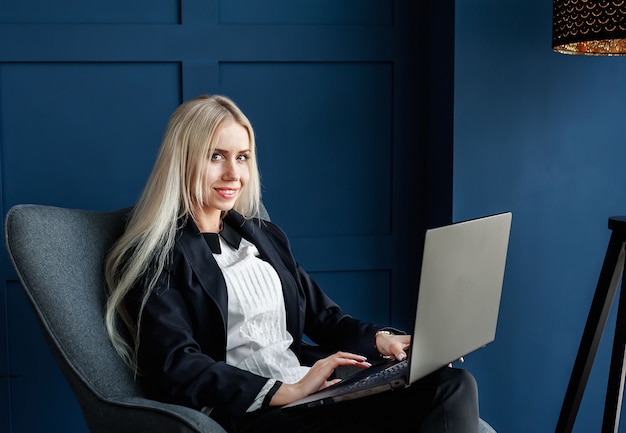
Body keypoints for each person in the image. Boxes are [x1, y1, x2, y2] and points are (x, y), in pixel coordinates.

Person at [104, 94, 481, 433]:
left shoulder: (263, 237)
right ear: (182, 160)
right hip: (258, 411)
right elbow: (177, 364)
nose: (233, 174)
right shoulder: (156, 253)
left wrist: (384, 342)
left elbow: (326, 320)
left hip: (312, 391)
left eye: (242, 157)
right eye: (215, 156)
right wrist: (286, 390)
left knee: (452, 385)